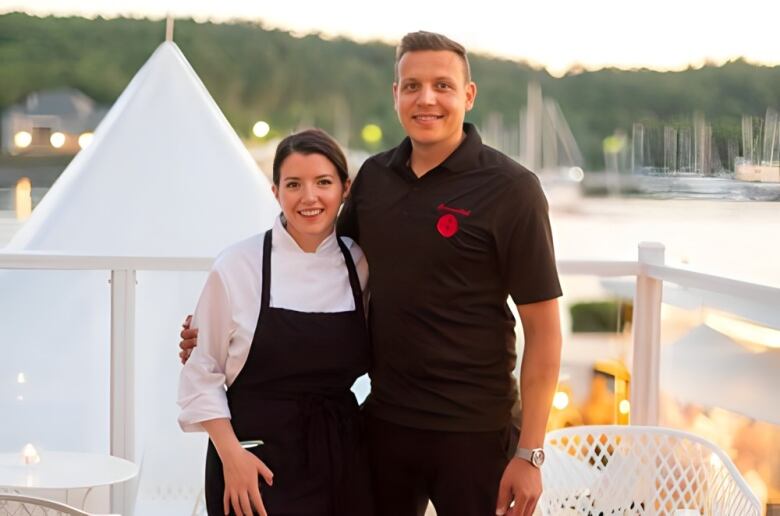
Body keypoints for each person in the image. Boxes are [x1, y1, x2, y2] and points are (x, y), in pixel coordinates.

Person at [182, 31, 562, 516]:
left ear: (468, 95)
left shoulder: (513, 190)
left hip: (476, 433)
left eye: (442, 86)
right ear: (396, 95)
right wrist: (214, 336)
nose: (427, 99)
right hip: (383, 430)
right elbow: (319, 261)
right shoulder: (375, 181)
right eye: (412, 85)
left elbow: (545, 333)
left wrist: (530, 453)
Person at [177, 129, 373, 516]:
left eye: (323, 183)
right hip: (253, 462)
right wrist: (231, 458)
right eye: (294, 184)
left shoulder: (361, 264)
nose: (309, 197)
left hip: (342, 459)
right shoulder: (238, 265)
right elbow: (201, 372)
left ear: (345, 189)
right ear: (275, 192)